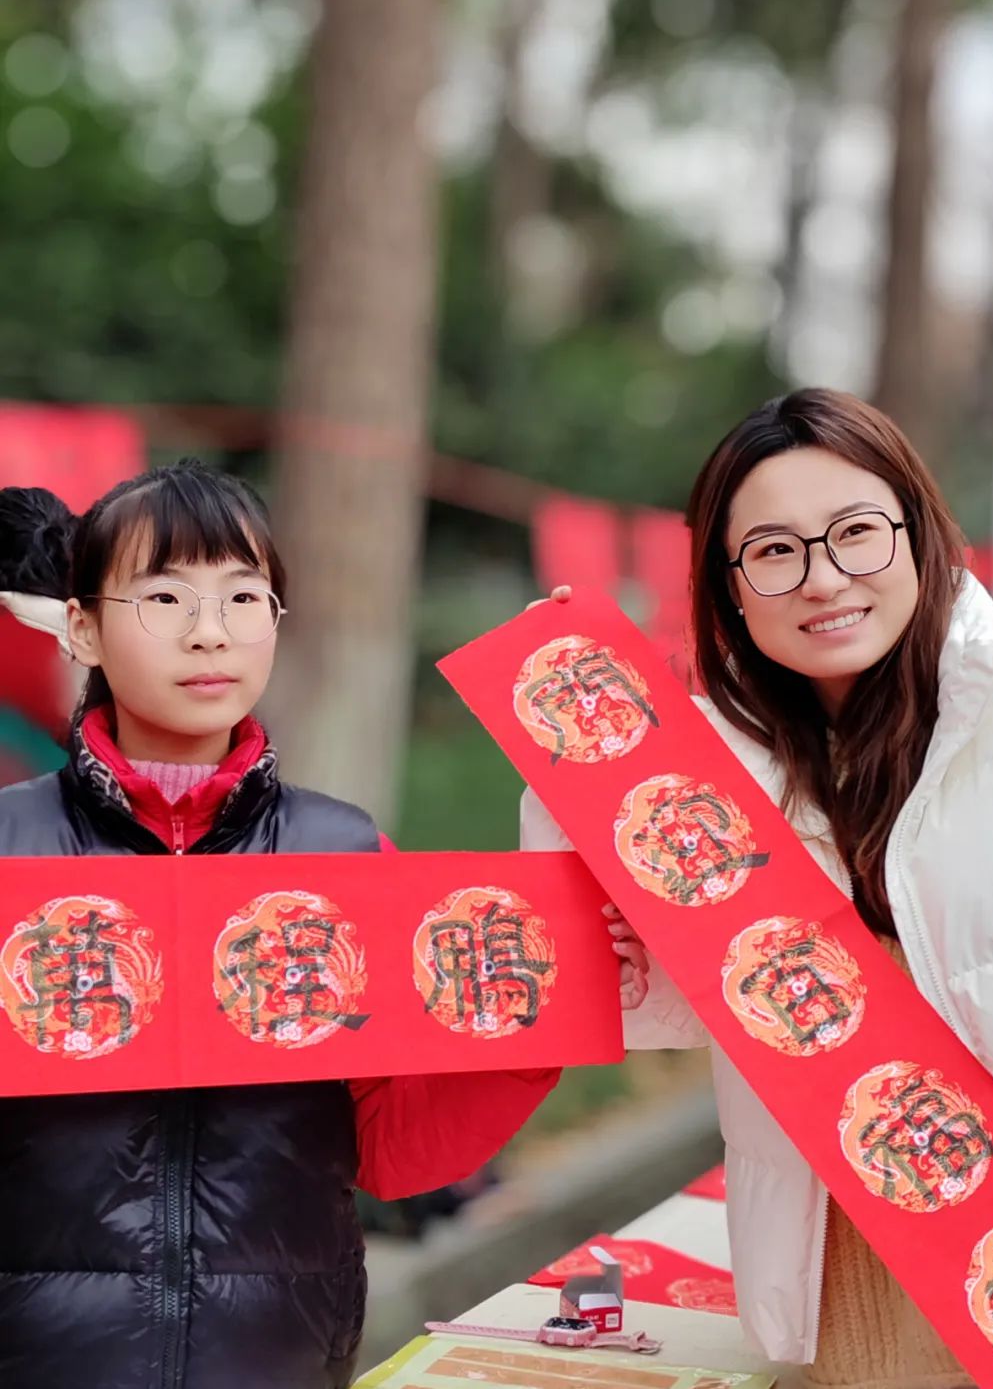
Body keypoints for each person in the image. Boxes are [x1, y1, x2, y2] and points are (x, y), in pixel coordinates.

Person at [522, 388, 993, 1389]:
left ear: (918, 533)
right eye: (775, 550)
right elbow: (635, 1000)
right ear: (729, 585)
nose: (824, 578)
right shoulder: (705, 774)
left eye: (857, 533)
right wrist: (566, 730)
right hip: (842, 1310)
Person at [0, 460, 573, 1389]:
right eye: (165, 595)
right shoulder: (9, 848)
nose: (209, 631)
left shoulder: (345, 855)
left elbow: (389, 1147)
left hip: (281, 1357)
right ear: (82, 626)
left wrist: (534, 1019)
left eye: (243, 595)